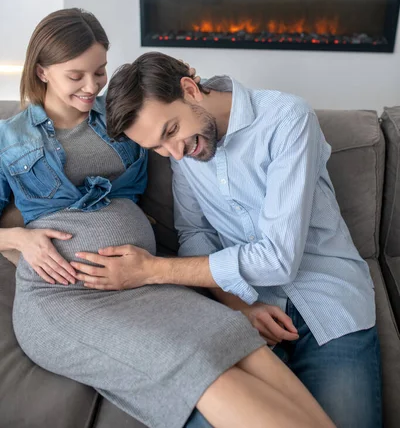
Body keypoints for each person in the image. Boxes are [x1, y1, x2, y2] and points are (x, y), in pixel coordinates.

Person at [0, 9, 334, 428]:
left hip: (143, 279)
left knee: (241, 341)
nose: (91, 86)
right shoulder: (8, 139)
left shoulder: (128, 117)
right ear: (43, 71)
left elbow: (189, 106)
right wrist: (18, 239)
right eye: (76, 76)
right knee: (203, 370)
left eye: (100, 71)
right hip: (66, 297)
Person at [98, 51, 382, 428]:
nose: (175, 153)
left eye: (170, 132)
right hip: (246, 307)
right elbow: (195, 232)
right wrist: (237, 306)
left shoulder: (287, 118)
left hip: (327, 300)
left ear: (189, 89)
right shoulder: (183, 153)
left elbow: (278, 259)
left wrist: (152, 270)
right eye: (158, 148)